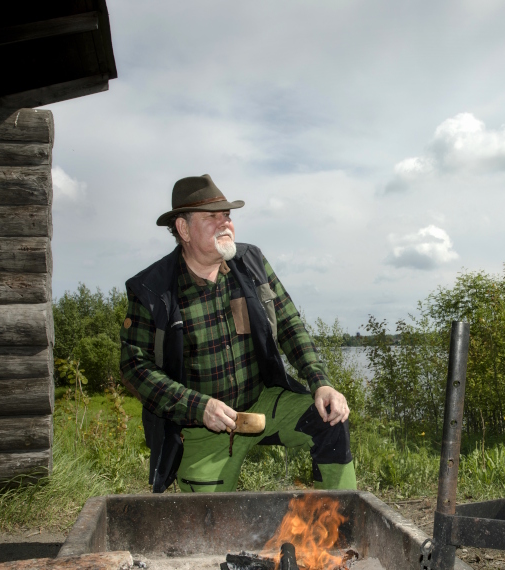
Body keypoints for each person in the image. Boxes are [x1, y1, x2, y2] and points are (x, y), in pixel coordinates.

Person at [120, 174, 356, 493]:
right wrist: (198, 406)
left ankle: (339, 514)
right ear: (183, 229)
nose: (225, 223)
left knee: (331, 418)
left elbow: (290, 324)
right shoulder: (151, 289)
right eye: (211, 217)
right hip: (202, 427)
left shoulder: (251, 262)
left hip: (263, 401)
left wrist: (321, 382)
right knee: (209, 521)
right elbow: (135, 367)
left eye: (227, 215)